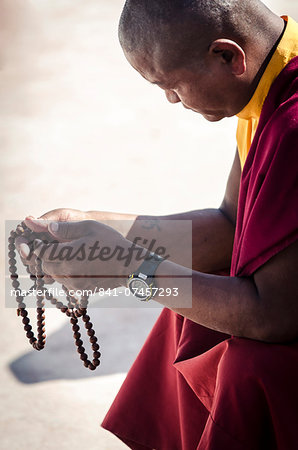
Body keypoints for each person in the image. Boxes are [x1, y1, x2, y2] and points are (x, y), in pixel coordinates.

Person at [17, 0, 298, 448]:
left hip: (281, 315)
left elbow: (274, 316)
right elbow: (230, 223)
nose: (171, 100)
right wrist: (98, 233)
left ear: (227, 56)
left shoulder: (293, 125)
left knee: (248, 364)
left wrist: (133, 271)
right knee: (190, 301)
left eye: (172, 85)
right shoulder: (272, 84)